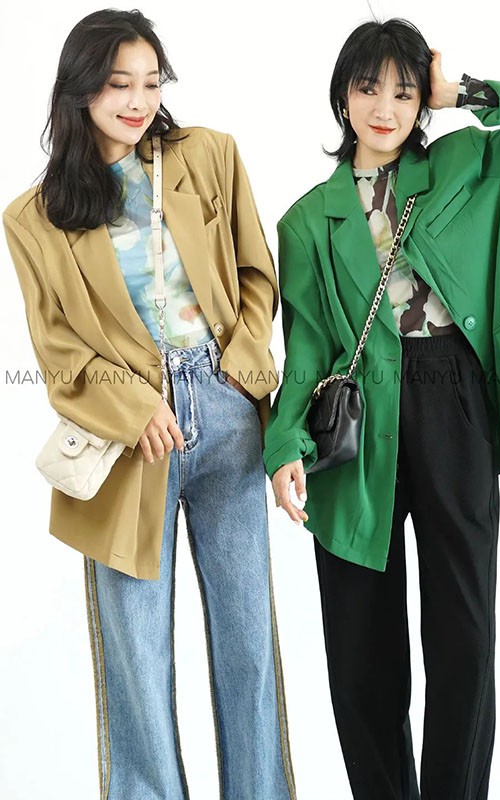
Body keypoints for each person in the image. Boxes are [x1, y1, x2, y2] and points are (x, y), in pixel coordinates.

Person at [263, 17, 500, 800]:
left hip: (453, 399)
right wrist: (282, 447)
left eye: (405, 93)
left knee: (463, 634)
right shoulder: (307, 220)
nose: (385, 108)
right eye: (368, 88)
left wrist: (462, 91)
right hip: (353, 421)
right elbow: (305, 349)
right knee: (359, 647)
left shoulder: (466, 162)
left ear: (423, 103)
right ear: (342, 96)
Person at [3, 9, 295, 800]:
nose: (137, 100)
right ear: (79, 90)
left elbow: (257, 275)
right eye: (117, 84)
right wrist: (135, 407)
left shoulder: (209, 155)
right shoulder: (33, 218)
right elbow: (59, 352)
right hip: (128, 439)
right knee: (136, 652)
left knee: (247, 641)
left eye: (150, 81)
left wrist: (238, 366)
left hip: (227, 413)